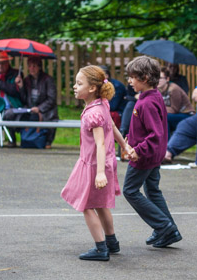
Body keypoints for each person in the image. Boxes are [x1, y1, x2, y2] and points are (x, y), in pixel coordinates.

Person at [61, 65, 130, 261]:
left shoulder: (93, 113)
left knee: (87, 205)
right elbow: (114, 127)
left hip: (95, 165)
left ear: (92, 88)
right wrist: (124, 145)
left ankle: (101, 249)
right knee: (101, 204)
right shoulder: (102, 104)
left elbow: (100, 143)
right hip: (103, 162)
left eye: (79, 83)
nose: (75, 86)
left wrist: (100, 173)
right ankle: (112, 242)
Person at [123, 56, 182, 249]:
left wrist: (137, 150)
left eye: (133, 77)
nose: (129, 81)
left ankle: (163, 226)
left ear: (146, 77)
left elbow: (154, 134)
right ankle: (168, 230)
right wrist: (129, 140)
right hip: (153, 155)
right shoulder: (153, 96)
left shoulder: (145, 103)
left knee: (130, 191)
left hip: (145, 157)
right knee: (153, 191)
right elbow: (146, 129)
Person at [15, 56, 59, 149]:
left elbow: (52, 99)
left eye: (34, 66)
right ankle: (25, 139)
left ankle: (46, 141)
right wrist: (21, 87)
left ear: (40, 67)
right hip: (31, 109)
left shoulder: (48, 80)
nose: (31, 68)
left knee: (45, 117)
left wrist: (39, 108)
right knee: (19, 115)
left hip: (45, 110)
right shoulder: (27, 80)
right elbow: (24, 99)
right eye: (29, 66)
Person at [158, 67, 195, 139]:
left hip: (186, 115)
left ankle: (166, 145)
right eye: (156, 78)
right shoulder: (158, 90)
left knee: (165, 117)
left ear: (167, 79)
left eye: (160, 78)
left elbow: (174, 110)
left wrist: (158, 108)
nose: (157, 80)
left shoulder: (173, 89)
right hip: (174, 115)